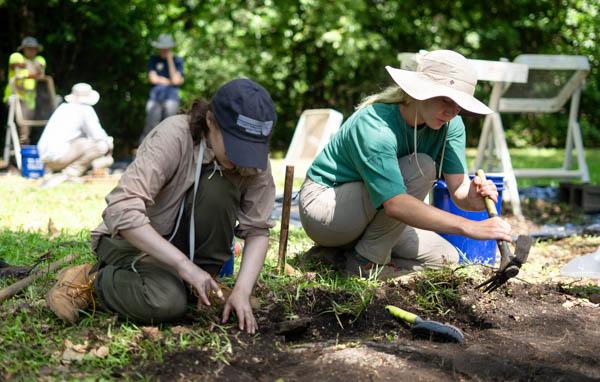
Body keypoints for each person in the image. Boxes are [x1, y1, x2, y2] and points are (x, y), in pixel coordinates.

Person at [46, 79, 277, 334]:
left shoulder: (253, 159)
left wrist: (243, 291)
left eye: (249, 150)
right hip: (134, 243)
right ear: (211, 122)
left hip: (185, 256)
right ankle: (92, 279)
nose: (240, 158)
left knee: (219, 186)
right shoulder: (175, 135)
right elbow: (122, 209)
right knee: (166, 303)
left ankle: (196, 285)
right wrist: (184, 266)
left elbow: (257, 230)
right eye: (236, 147)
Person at [299, 50, 512, 280]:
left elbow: (459, 192)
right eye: (445, 99)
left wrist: (474, 198)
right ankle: (366, 261)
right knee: (422, 166)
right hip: (327, 208)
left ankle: (338, 258)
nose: (451, 111)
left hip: (375, 212)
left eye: (459, 103)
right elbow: (395, 204)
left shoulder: (451, 125)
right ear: (419, 91)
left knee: (445, 259)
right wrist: (468, 227)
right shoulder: (376, 125)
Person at [37, 83, 114, 187]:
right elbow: (98, 136)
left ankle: (60, 171)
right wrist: (110, 144)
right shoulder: (85, 109)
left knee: (84, 141)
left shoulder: (62, 108)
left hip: (45, 159)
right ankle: (70, 173)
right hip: (59, 158)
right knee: (102, 145)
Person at [138, 33, 184, 145]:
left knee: (170, 127)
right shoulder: (153, 60)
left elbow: (176, 80)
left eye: (166, 48)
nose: (164, 50)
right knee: (150, 125)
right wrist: (170, 81)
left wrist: (169, 60)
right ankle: (142, 153)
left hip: (171, 98)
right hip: (155, 98)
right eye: (162, 48)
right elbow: (153, 79)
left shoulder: (177, 61)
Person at [3, 36, 46, 144]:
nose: (32, 51)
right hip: (15, 96)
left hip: (30, 100)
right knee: (23, 126)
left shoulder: (39, 59)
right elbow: (17, 66)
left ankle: (21, 148)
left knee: (27, 125)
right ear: (23, 49)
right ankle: (23, 147)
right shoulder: (16, 56)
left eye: (34, 48)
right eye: (29, 48)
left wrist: (30, 69)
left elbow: (40, 72)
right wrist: (31, 70)